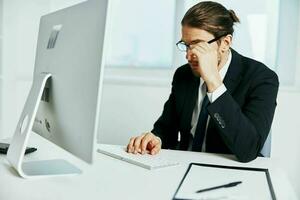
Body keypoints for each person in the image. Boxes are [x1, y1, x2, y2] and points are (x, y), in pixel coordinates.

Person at [126, 1, 279, 162]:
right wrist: (156, 139)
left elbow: (248, 149)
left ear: (225, 43)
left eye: (198, 46)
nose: (188, 56)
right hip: (184, 165)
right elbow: (166, 127)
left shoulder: (262, 78)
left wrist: (214, 83)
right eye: (186, 45)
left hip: (230, 169)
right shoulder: (184, 74)